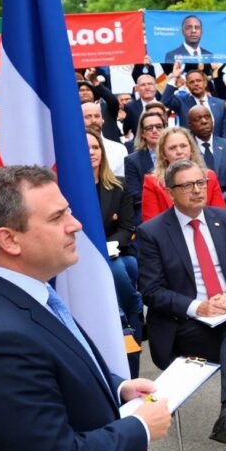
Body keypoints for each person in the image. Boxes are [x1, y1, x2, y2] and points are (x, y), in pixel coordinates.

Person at [0, 166, 172, 451]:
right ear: (9, 239)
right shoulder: (4, 338)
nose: (75, 225)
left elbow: (57, 369)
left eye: (69, 211)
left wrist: (117, 387)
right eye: (56, 217)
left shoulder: (31, 291)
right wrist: (140, 427)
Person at [138, 160, 226, 451]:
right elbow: (152, 292)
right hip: (184, 327)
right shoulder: (152, 232)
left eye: (200, 183)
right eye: (187, 185)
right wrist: (198, 307)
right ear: (170, 192)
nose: (196, 190)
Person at [87, 130, 143, 360]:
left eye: (95, 147)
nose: (91, 152)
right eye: (85, 148)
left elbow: (127, 227)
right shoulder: (69, 188)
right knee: (120, 270)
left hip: (115, 249)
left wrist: (108, 246)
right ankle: (132, 314)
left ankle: (128, 321)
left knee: (125, 266)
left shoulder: (119, 185)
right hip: (85, 253)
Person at [142, 127, 226, 222]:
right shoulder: (153, 182)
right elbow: (151, 225)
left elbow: (221, 217)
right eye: (172, 148)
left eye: (183, 146)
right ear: (163, 154)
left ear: (191, 149)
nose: (179, 152)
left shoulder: (209, 176)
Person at [161, 63, 226, 136]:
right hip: (191, 142)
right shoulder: (181, 101)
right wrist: (175, 77)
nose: (196, 84)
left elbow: (225, 130)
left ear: (205, 83)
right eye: (192, 82)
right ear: (187, 85)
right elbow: (165, 101)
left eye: (198, 80)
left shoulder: (220, 104)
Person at [124, 111, 166, 224]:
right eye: (149, 128)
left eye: (159, 126)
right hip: (149, 211)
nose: (155, 130)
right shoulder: (132, 161)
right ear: (142, 134)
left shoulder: (177, 153)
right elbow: (135, 195)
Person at [82, 101, 128, 179]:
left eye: (97, 116)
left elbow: (122, 182)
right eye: (88, 117)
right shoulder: (71, 150)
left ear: (103, 120)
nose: (94, 120)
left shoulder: (119, 149)